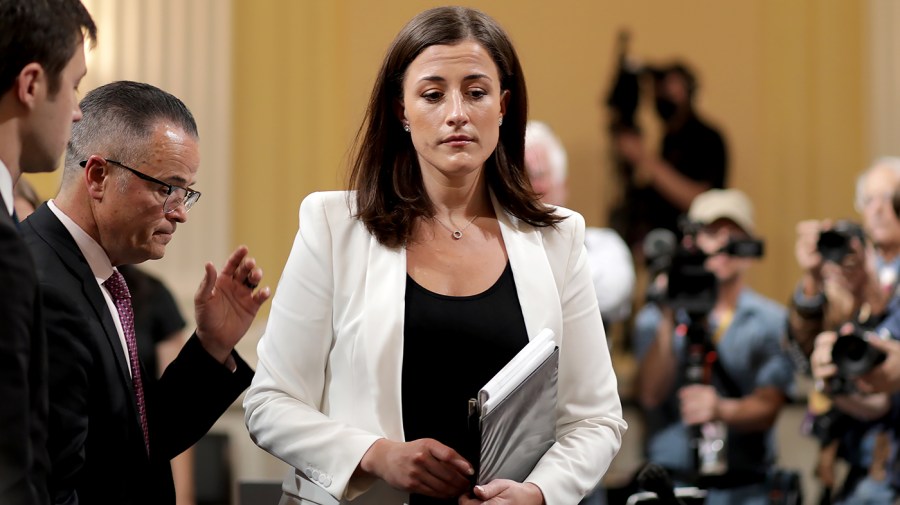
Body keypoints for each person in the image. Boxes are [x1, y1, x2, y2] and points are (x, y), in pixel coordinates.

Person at [243, 7, 626, 505]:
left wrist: (537, 493)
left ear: (504, 105)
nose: (457, 113)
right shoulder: (333, 226)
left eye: (476, 91)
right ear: (401, 110)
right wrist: (377, 454)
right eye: (432, 93)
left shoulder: (558, 238)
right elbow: (269, 404)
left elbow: (595, 419)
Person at [22, 80, 271, 505]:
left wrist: (211, 347)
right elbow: (51, 485)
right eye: (166, 188)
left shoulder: (98, 274)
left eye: (186, 193)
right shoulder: (45, 286)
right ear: (98, 175)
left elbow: (132, 445)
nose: (179, 213)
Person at [632, 188, 793, 505]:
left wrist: (722, 410)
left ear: (748, 247)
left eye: (733, 234)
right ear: (692, 243)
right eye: (712, 232)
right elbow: (649, 395)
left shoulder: (771, 321)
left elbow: (770, 405)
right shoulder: (655, 318)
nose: (722, 244)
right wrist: (668, 315)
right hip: (671, 484)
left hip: (746, 487)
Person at [0, 1, 95, 504]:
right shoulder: (7, 249)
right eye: (76, 83)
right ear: (32, 84)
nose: (78, 109)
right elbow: (13, 466)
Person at [787, 157, 900, 504]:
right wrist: (813, 278)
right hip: (853, 461)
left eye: (890, 198)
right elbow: (801, 348)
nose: (878, 210)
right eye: (869, 200)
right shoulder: (846, 275)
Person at [525, 119, 635, 327]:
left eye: (538, 176)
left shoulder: (602, 245)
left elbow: (612, 291)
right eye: (518, 177)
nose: (529, 188)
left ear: (562, 186)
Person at [612, 62, 728, 251]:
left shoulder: (708, 138)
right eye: (659, 89)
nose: (663, 95)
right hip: (663, 245)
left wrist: (643, 157)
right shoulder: (666, 141)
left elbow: (701, 201)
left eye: (671, 88)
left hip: (696, 247)